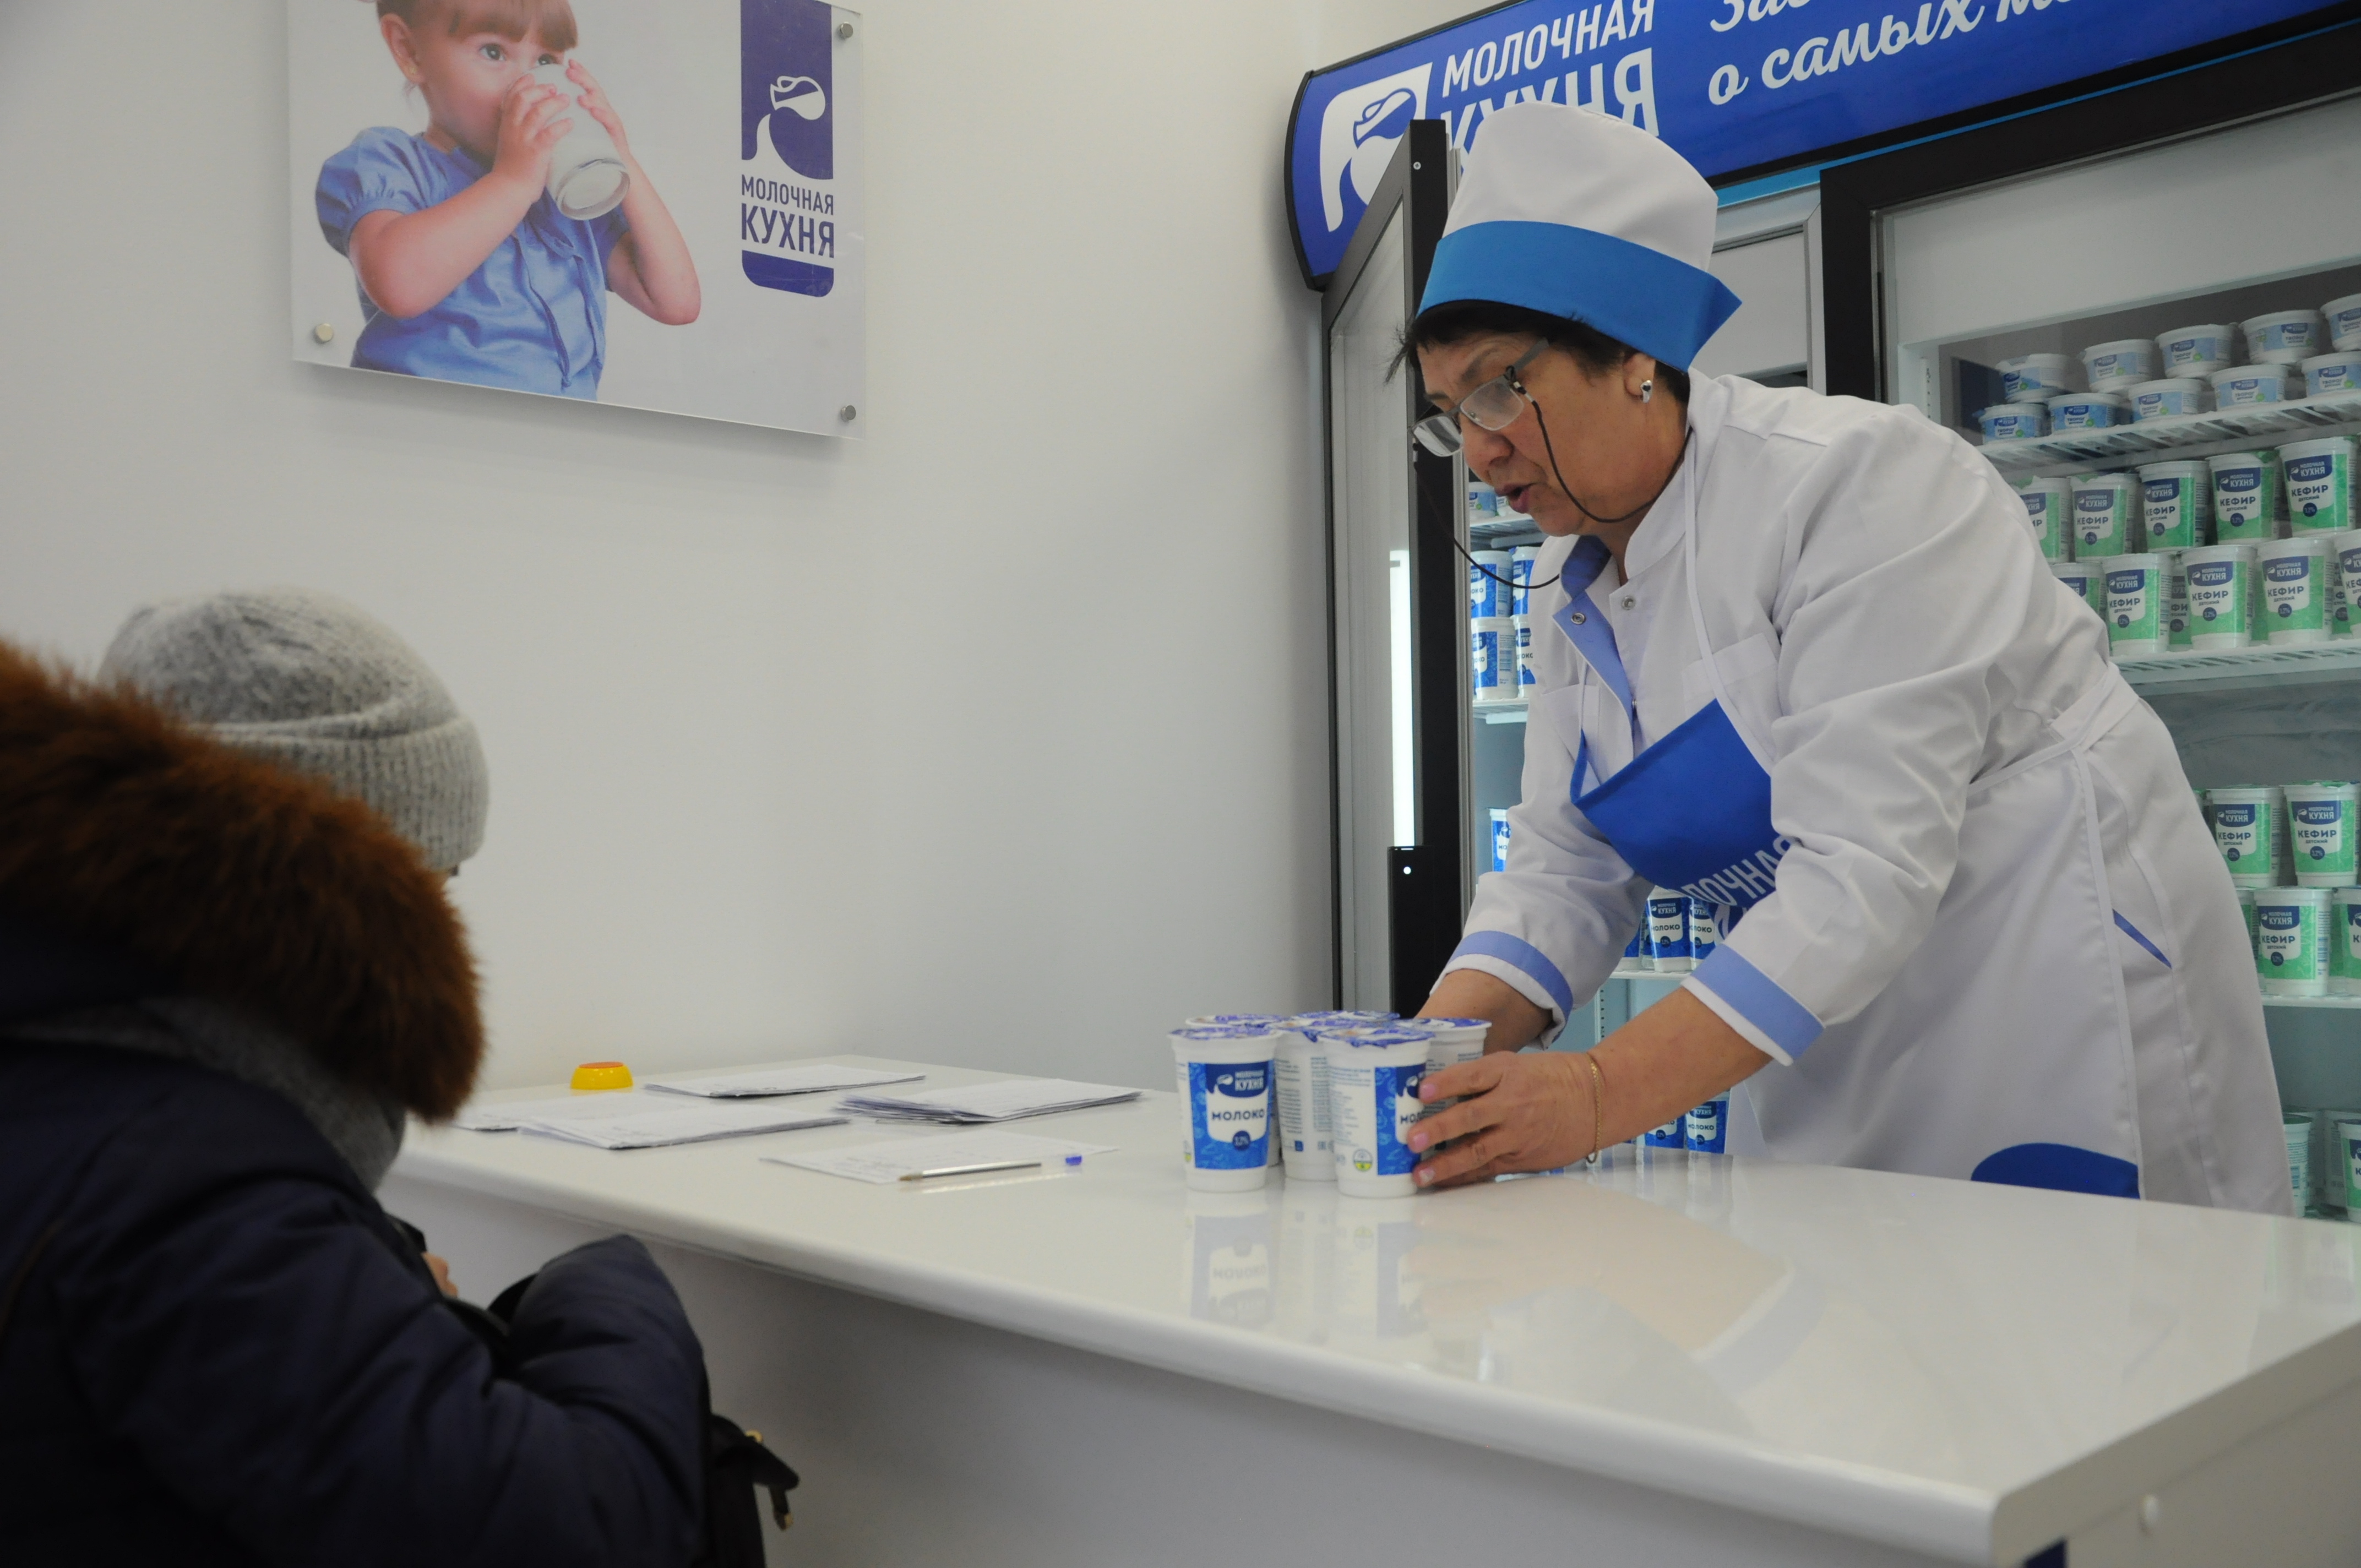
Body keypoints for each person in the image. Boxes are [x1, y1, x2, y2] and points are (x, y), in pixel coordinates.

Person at [1403, 102, 2286, 1212]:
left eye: (1497, 388)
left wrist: (1592, 1092)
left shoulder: (1856, 485)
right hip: (1827, 1008)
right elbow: (1560, 869)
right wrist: (1415, 1070)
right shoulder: (1571, 582)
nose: (1478, 449)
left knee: (2088, 1300)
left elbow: (1863, 869)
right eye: (1449, 413)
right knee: (1853, 1293)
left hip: (2039, 973)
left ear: (1631, 353)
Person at [0, 590, 708, 1563]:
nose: (450, 916)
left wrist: (364, 1263)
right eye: (438, 878)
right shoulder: (192, 1207)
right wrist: (611, 1286)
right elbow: (581, 1531)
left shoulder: (68, 1090)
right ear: (351, 886)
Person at [317, 0, 700, 399]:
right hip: (425, 424)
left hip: (552, 432)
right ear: (410, 51)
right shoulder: (389, 162)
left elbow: (676, 302)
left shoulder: (562, 196)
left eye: (545, 61)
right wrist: (513, 182)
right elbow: (400, 286)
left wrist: (620, 157)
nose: (525, 85)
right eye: (494, 52)